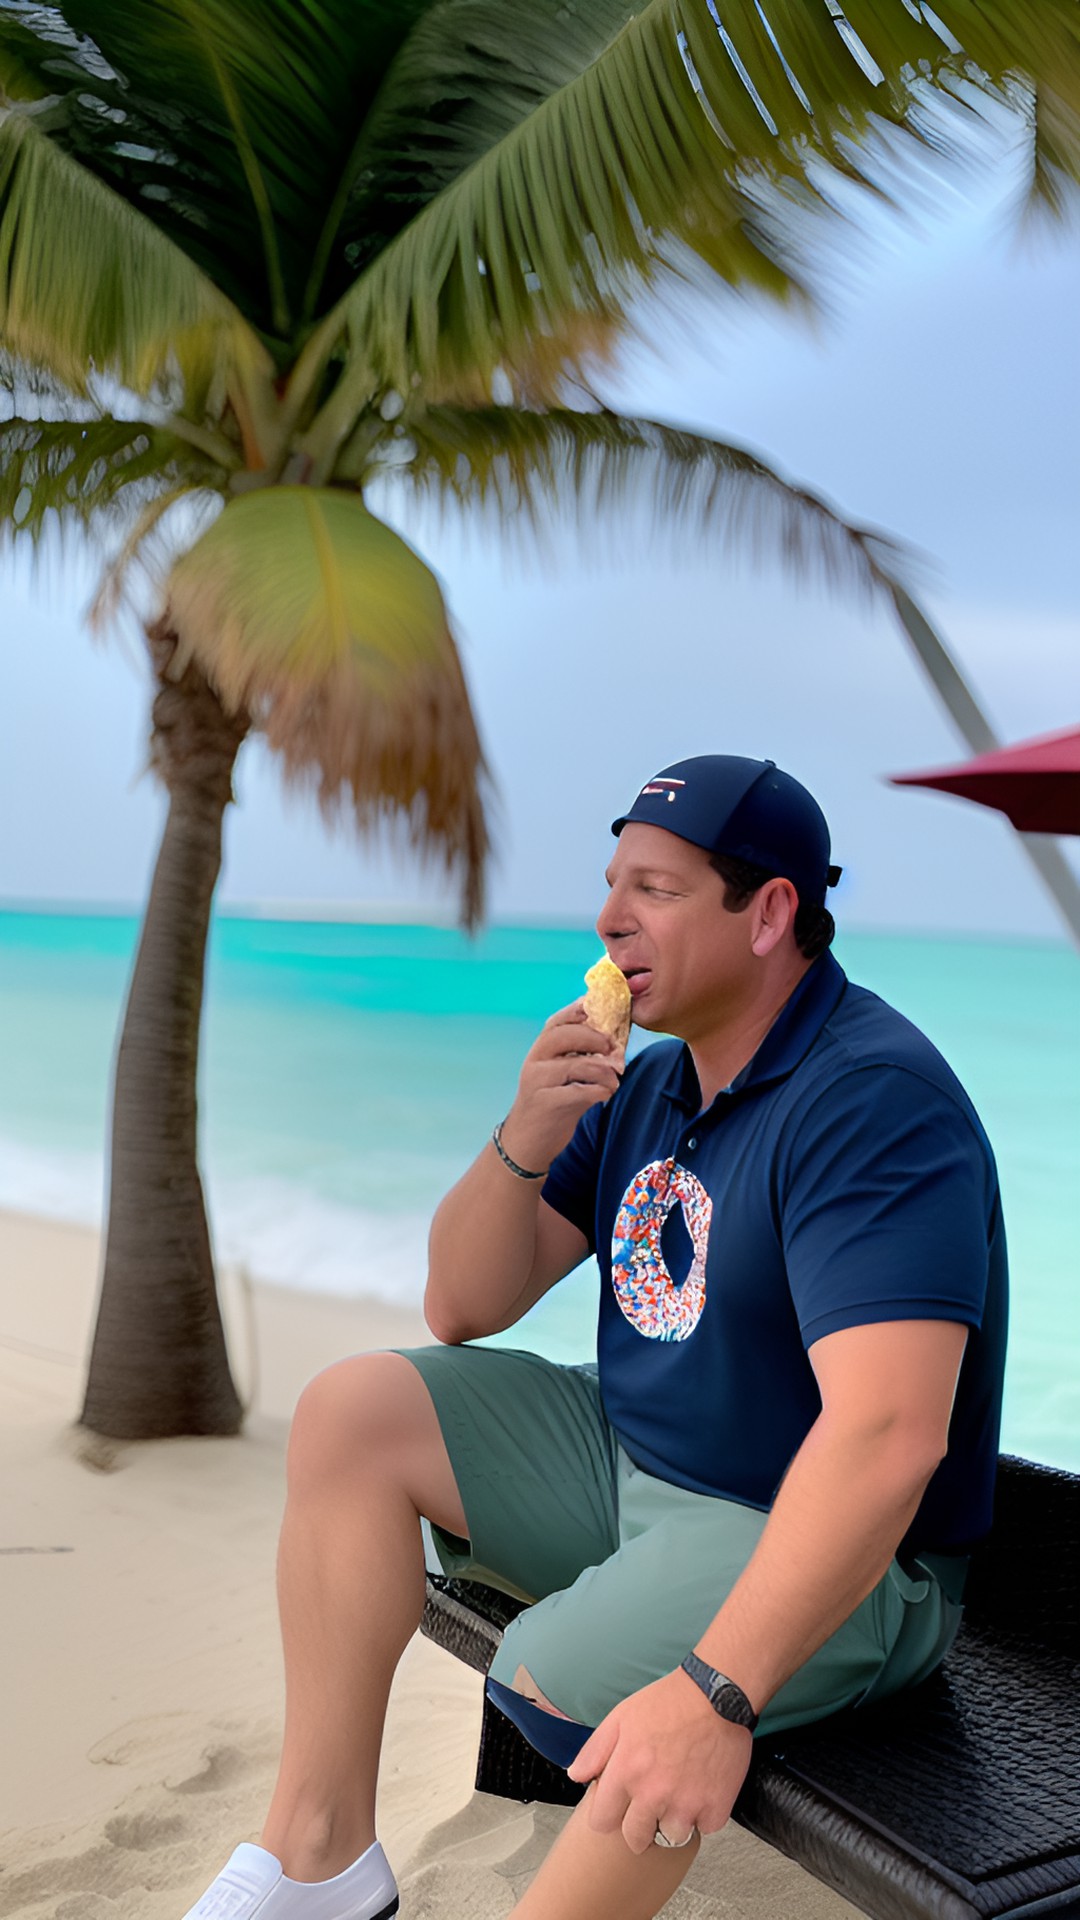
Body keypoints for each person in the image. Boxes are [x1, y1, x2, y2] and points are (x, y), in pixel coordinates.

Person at [183, 754, 1007, 1920]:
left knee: (558, 1673)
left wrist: (717, 1693)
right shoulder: (651, 1083)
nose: (611, 919)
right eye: (613, 883)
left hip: (839, 1547)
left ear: (770, 912)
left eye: (657, 890)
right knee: (351, 1414)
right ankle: (319, 1860)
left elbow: (888, 1433)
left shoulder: (871, 1102)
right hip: (635, 1460)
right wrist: (524, 1134)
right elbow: (463, 1305)